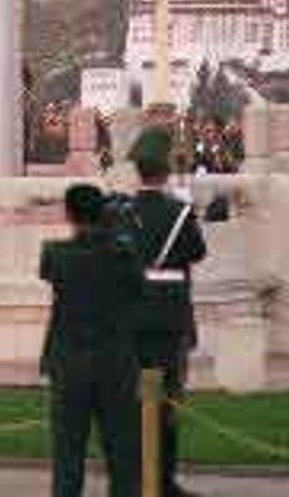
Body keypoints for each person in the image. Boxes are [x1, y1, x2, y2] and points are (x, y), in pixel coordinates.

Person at [40, 183, 143, 497]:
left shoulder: (55, 253)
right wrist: (115, 230)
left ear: (68, 214)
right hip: (114, 360)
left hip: (69, 359)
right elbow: (139, 289)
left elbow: (52, 272)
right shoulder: (122, 252)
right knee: (122, 450)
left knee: (68, 451)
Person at [126, 126, 207, 497]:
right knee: (166, 401)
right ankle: (163, 480)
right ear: (165, 169)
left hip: (132, 318)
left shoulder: (119, 211)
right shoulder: (179, 212)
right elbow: (196, 251)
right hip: (169, 319)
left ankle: (137, 477)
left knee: (137, 401)